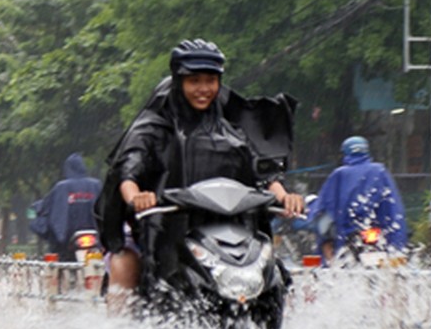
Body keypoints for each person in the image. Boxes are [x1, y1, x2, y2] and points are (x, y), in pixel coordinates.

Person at [95, 38, 304, 309]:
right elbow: (128, 169)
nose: (203, 89)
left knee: (274, 274)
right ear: (179, 82)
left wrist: (285, 197)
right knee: (125, 264)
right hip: (161, 231)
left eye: (210, 80)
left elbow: (261, 169)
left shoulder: (232, 128)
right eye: (194, 81)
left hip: (227, 234)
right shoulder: (153, 126)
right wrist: (137, 197)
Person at [310, 135, 408, 262]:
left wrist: (325, 241)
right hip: (377, 235)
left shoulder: (339, 174)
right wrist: (397, 244)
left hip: (345, 237)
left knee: (335, 265)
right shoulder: (380, 171)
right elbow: (394, 209)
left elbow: (325, 209)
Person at [30, 153, 101, 256]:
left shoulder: (61, 187)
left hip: (66, 240)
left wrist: (37, 206)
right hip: (95, 235)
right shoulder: (96, 185)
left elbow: (47, 205)